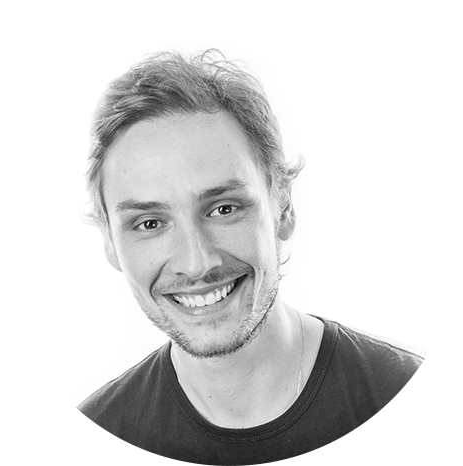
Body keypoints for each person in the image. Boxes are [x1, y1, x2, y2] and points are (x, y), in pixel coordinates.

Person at [44, 50, 461, 465]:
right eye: (150, 223)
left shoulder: (434, 422)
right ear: (110, 242)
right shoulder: (86, 452)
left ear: (283, 208)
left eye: (223, 209)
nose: (197, 263)